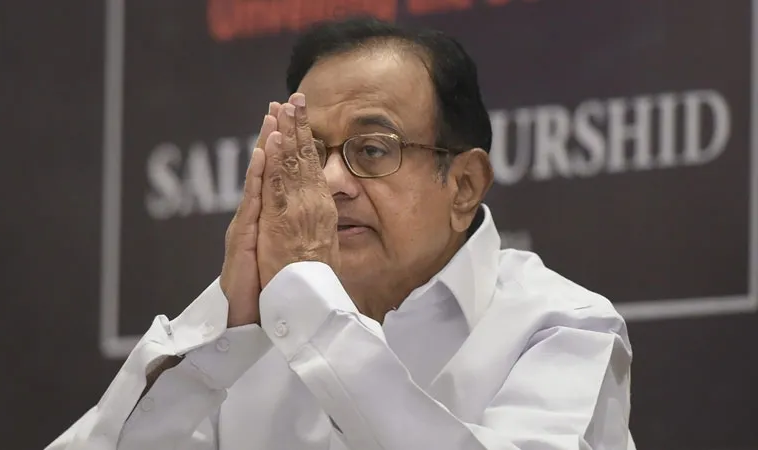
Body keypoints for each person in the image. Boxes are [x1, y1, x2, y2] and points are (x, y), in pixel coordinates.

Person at [48, 16, 635, 450]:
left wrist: (311, 312)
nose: (329, 181)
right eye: (306, 152)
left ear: (463, 186)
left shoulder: (562, 327)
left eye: (372, 149)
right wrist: (225, 325)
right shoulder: (255, 336)